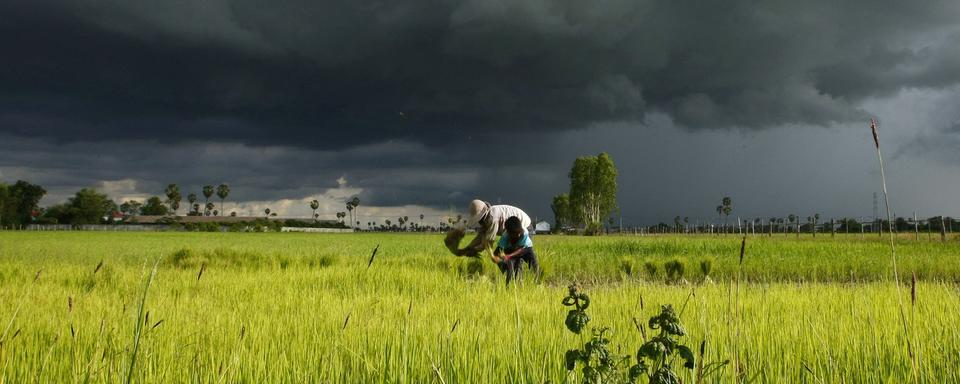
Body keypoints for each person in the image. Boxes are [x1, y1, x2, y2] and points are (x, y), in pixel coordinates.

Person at [457, 199, 532, 257]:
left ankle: (519, 276)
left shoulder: (493, 218)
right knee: (503, 255)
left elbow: (488, 242)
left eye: (479, 219)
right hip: (512, 232)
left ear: (483, 215)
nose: (479, 222)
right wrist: (467, 248)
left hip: (523, 228)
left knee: (516, 256)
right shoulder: (485, 219)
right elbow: (480, 237)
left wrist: (474, 250)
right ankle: (514, 275)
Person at [493, 216, 540, 286]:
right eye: (515, 234)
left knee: (534, 263)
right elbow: (497, 251)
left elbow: (520, 250)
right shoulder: (505, 236)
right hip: (510, 249)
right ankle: (510, 285)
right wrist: (497, 259)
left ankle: (537, 282)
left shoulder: (524, 233)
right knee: (512, 267)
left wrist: (508, 256)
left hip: (526, 248)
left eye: (519, 233)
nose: (518, 235)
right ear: (509, 233)